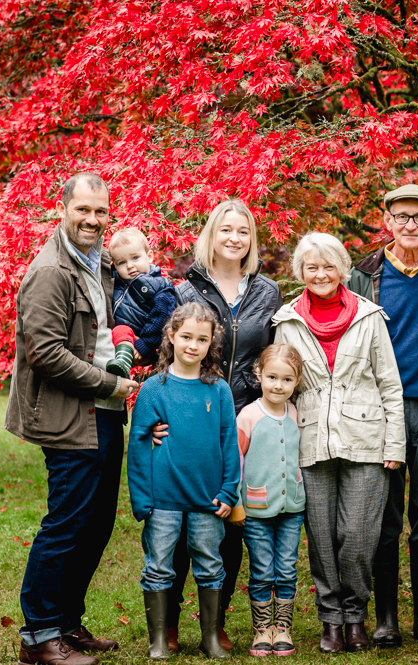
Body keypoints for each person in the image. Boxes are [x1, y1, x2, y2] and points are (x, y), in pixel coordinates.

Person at [5, 172, 139, 665]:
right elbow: (45, 352)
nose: (92, 219)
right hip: (69, 417)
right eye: (83, 209)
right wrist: (110, 384)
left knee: (96, 523)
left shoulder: (99, 262)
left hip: (103, 413)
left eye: (101, 211)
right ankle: (38, 636)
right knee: (66, 523)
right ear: (64, 208)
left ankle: (66, 622)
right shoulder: (50, 271)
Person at [153, 199, 283, 653]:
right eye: (226, 229)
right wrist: (155, 418)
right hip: (188, 422)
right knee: (179, 526)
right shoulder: (184, 290)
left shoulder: (267, 292)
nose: (234, 238)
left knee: (228, 525)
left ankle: (216, 621)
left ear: (251, 239)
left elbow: (272, 356)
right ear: (211, 234)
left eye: (243, 231)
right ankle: (167, 623)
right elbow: (163, 353)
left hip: (243, 422)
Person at [273, 232, 406, 653]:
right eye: (311, 266)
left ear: (343, 270)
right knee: (322, 536)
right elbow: (279, 388)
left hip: (367, 439)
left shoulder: (369, 317)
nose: (320, 274)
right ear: (300, 272)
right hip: (309, 440)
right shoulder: (287, 321)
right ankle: (331, 620)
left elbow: (390, 384)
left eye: (328, 265)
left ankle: (356, 616)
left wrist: (395, 446)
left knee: (359, 536)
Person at [349, 183, 418, 648]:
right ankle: (386, 619)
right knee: (384, 514)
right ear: (388, 221)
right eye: (403, 217)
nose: (411, 225)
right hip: (381, 409)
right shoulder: (364, 276)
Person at [127, 302, 239, 660]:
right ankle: (159, 640)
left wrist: (228, 491)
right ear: (171, 336)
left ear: (211, 344)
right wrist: (141, 499)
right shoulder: (154, 389)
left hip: (208, 499)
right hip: (163, 500)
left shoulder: (218, 390)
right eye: (186, 336)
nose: (193, 345)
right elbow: (139, 446)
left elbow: (229, 442)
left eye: (202, 339)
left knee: (210, 565)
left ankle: (209, 638)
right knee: (159, 566)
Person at [232, 344, 305, 657]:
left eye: (287, 380)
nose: (279, 385)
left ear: (297, 382)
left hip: (292, 509)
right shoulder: (249, 416)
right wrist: (236, 503)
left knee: (287, 568)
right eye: (272, 377)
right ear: (258, 375)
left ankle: (283, 627)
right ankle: (263, 629)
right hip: (256, 510)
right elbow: (235, 461)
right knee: (262, 570)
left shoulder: (296, 414)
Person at [104, 227, 178, 377]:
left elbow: (161, 319)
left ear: (149, 256)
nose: (130, 265)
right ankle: (120, 363)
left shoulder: (160, 286)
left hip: (142, 337)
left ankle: (123, 364)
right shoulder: (116, 281)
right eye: (122, 262)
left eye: (135, 258)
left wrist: (145, 343)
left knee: (122, 330)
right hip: (115, 337)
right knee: (119, 331)